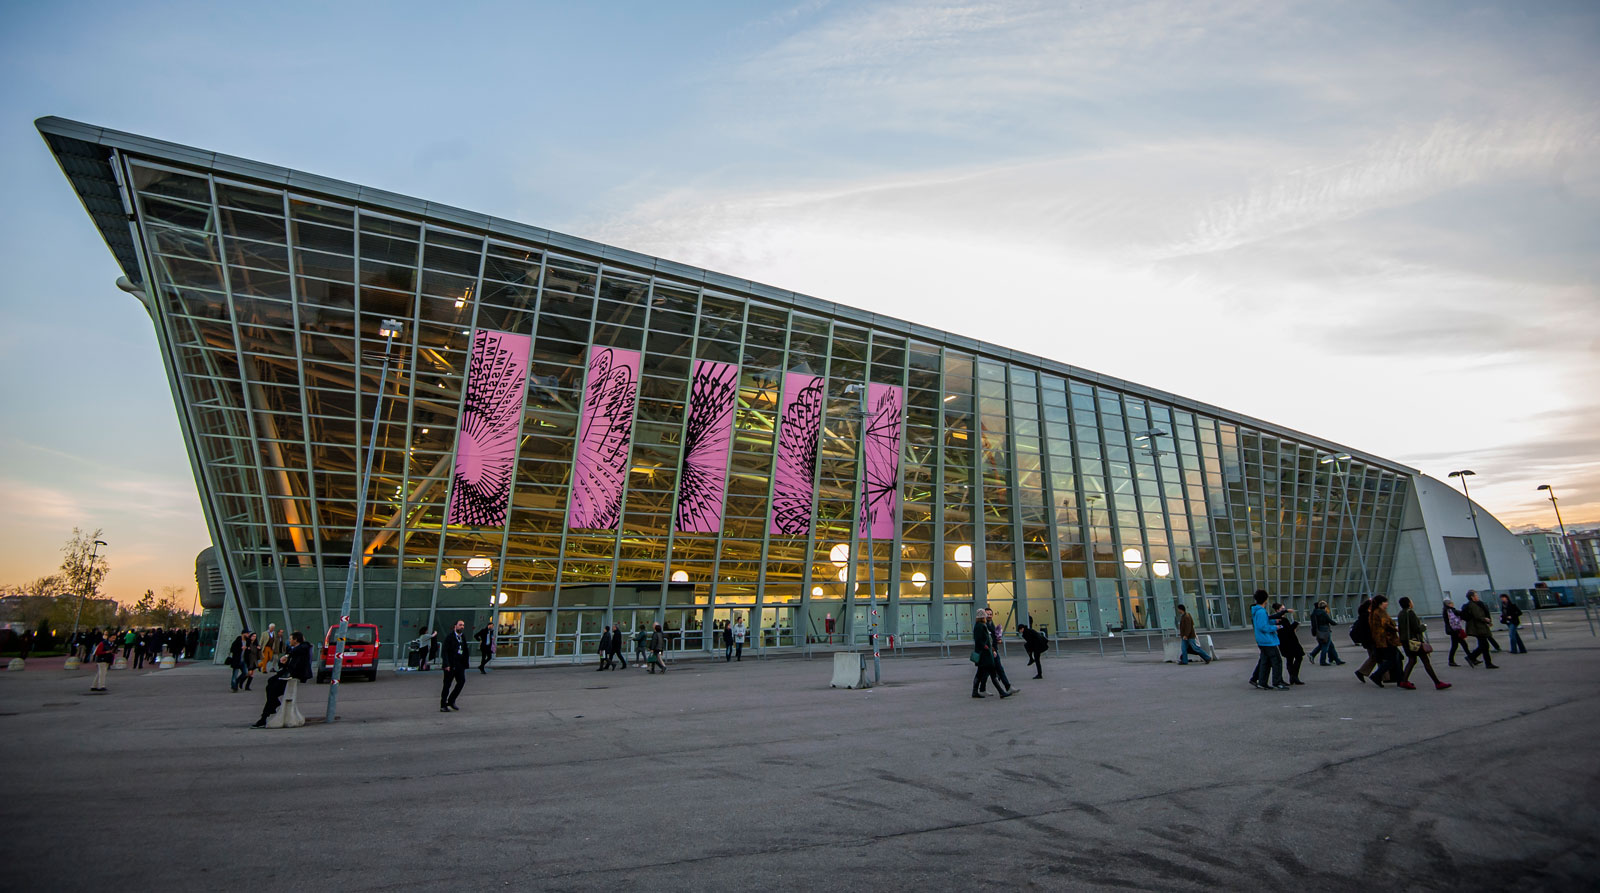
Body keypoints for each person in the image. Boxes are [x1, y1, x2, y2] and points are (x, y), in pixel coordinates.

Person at [251, 632, 312, 728]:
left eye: (291, 639)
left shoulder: (303, 647)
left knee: (273, 690)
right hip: (287, 672)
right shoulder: (291, 649)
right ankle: (273, 703)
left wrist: (287, 656)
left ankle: (264, 716)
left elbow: (299, 650)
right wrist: (282, 661)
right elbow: (286, 661)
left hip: (294, 674)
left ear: (296, 640)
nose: (289, 640)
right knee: (270, 682)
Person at [1398, 596, 1450, 690]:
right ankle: (1437, 683)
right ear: (1409, 603)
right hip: (1415, 641)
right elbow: (1416, 629)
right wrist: (1423, 627)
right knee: (1425, 661)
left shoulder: (1401, 614)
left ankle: (1404, 681)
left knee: (1412, 660)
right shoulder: (1411, 613)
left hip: (1406, 641)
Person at [1249, 590, 1288, 690]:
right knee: (1277, 661)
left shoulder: (1257, 611)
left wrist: (1273, 621)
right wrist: (1276, 627)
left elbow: (1262, 623)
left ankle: (1262, 682)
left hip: (1262, 640)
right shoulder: (1261, 611)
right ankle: (1277, 682)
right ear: (1265, 599)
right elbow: (1263, 626)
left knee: (1265, 662)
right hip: (1267, 640)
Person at [1364, 595, 1405, 688]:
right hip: (1387, 639)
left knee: (1396, 659)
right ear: (1381, 603)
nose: (1387, 604)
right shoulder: (1380, 612)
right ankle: (1378, 675)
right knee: (1393, 659)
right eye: (1385, 602)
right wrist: (1395, 629)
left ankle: (1400, 679)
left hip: (1380, 640)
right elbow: (1385, 624)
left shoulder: (1373, 612)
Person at [971, 609, 1010, 698]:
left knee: (980, 673)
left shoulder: (980, 625)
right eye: (985, 615)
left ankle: (975, 691)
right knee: (992, 673)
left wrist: (990, 648)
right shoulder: (980, 626)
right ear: (982, 617)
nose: (986, 617)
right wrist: (988, 648)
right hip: (985, 655)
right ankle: (1001, 692)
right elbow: (980, 641)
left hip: (985, 654)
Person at [1461, 591, 1498, 669]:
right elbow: (1478, 616)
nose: (1477, 597)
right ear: (1472, 597)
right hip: (1478, 628)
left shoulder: (1477, 604)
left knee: (1483, 645)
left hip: (1479, 627)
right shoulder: (1473, 605)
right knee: (1484, 645)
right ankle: (1479, 660)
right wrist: (1485, 619)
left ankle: (1473, 658)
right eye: (1476, 595)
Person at [440, 620, 470, 711]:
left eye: (463, 625)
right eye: (460, 625)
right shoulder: (450, 637)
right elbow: (444, 651)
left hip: (460, 664)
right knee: (447, 685)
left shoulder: (462, 637)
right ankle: (443, 704)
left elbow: (465, 650)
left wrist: (465, 663)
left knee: (461, 681)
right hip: (450, 665)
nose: (462, 627)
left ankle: (451, 700)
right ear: (455, 626)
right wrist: (446, 664)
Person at [1273, 603, 1306, 685]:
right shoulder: (1281, 620)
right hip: (1289, 642)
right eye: (1282, 609)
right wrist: (1295, 624)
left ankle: (1293, 676)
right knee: (1298, 657)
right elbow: (1288, 631)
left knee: (1290, 659)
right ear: (1278, 610)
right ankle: (1294, 675)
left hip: (1285, 642)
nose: (1284, 610)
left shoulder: (1279, 619)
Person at [1308, 601, 1343, 666]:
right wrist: (1336, 623)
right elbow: (1329, 620)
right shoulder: (1323, 613)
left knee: (1330, 645)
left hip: (1319, 630)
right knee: (1325, 646)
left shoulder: (1314, 613)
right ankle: (1322, 661)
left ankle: (1337, 660)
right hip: (1325, 630)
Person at [1442, 600, 1473, 667]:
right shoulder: (1449, 611)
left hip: (1453, 630)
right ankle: (1471, 658)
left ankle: (1451, 660)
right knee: (1462, 644)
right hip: (1454, 630)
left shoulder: (1448, 610)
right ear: (1448, 604)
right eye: (1451, 603)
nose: (1453, 604)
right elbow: (1454, 620)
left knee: (1456, 645)